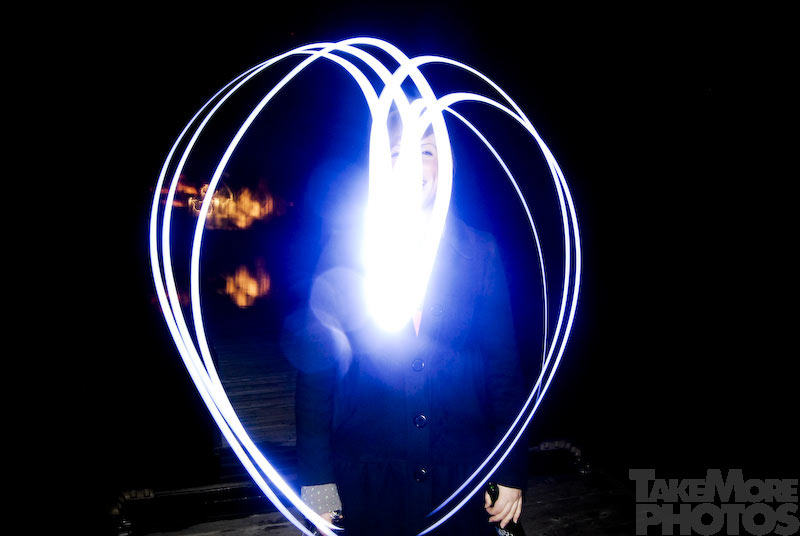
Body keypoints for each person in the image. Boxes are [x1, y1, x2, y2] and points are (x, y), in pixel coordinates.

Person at [288, 107, 528, 535]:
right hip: (367, 477)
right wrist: (318, 486)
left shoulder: (480, 251)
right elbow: (315, 378)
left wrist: (509, 470)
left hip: (462, 476)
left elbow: (504, 371)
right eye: (398, 153)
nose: (413, 166)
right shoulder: (345, 250)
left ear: (445, 167)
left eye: (426, 152)